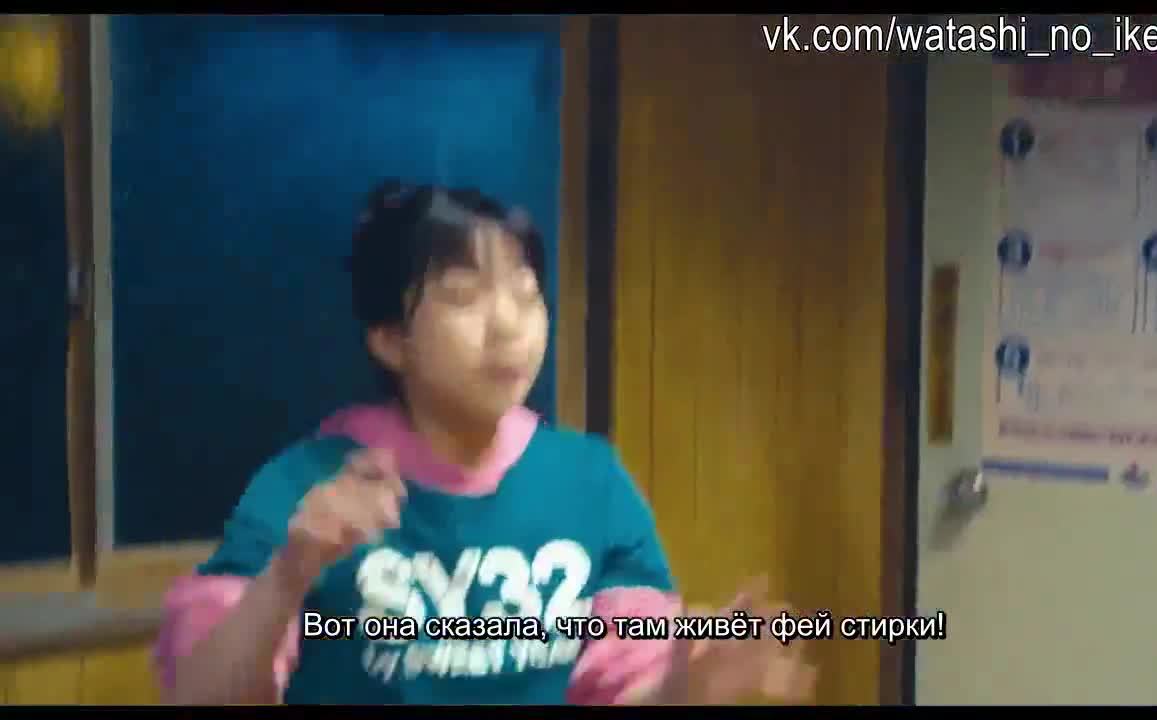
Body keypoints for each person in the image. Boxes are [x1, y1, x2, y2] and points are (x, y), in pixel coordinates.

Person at [153, 180, 817, 705]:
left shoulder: (591, 483)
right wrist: (289, 573)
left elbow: (630, 686)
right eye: (464, 297)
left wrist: (688, 685)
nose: (509, 326)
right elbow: (201, 695)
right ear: (390, 339)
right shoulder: (306, 487)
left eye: (527, 295)